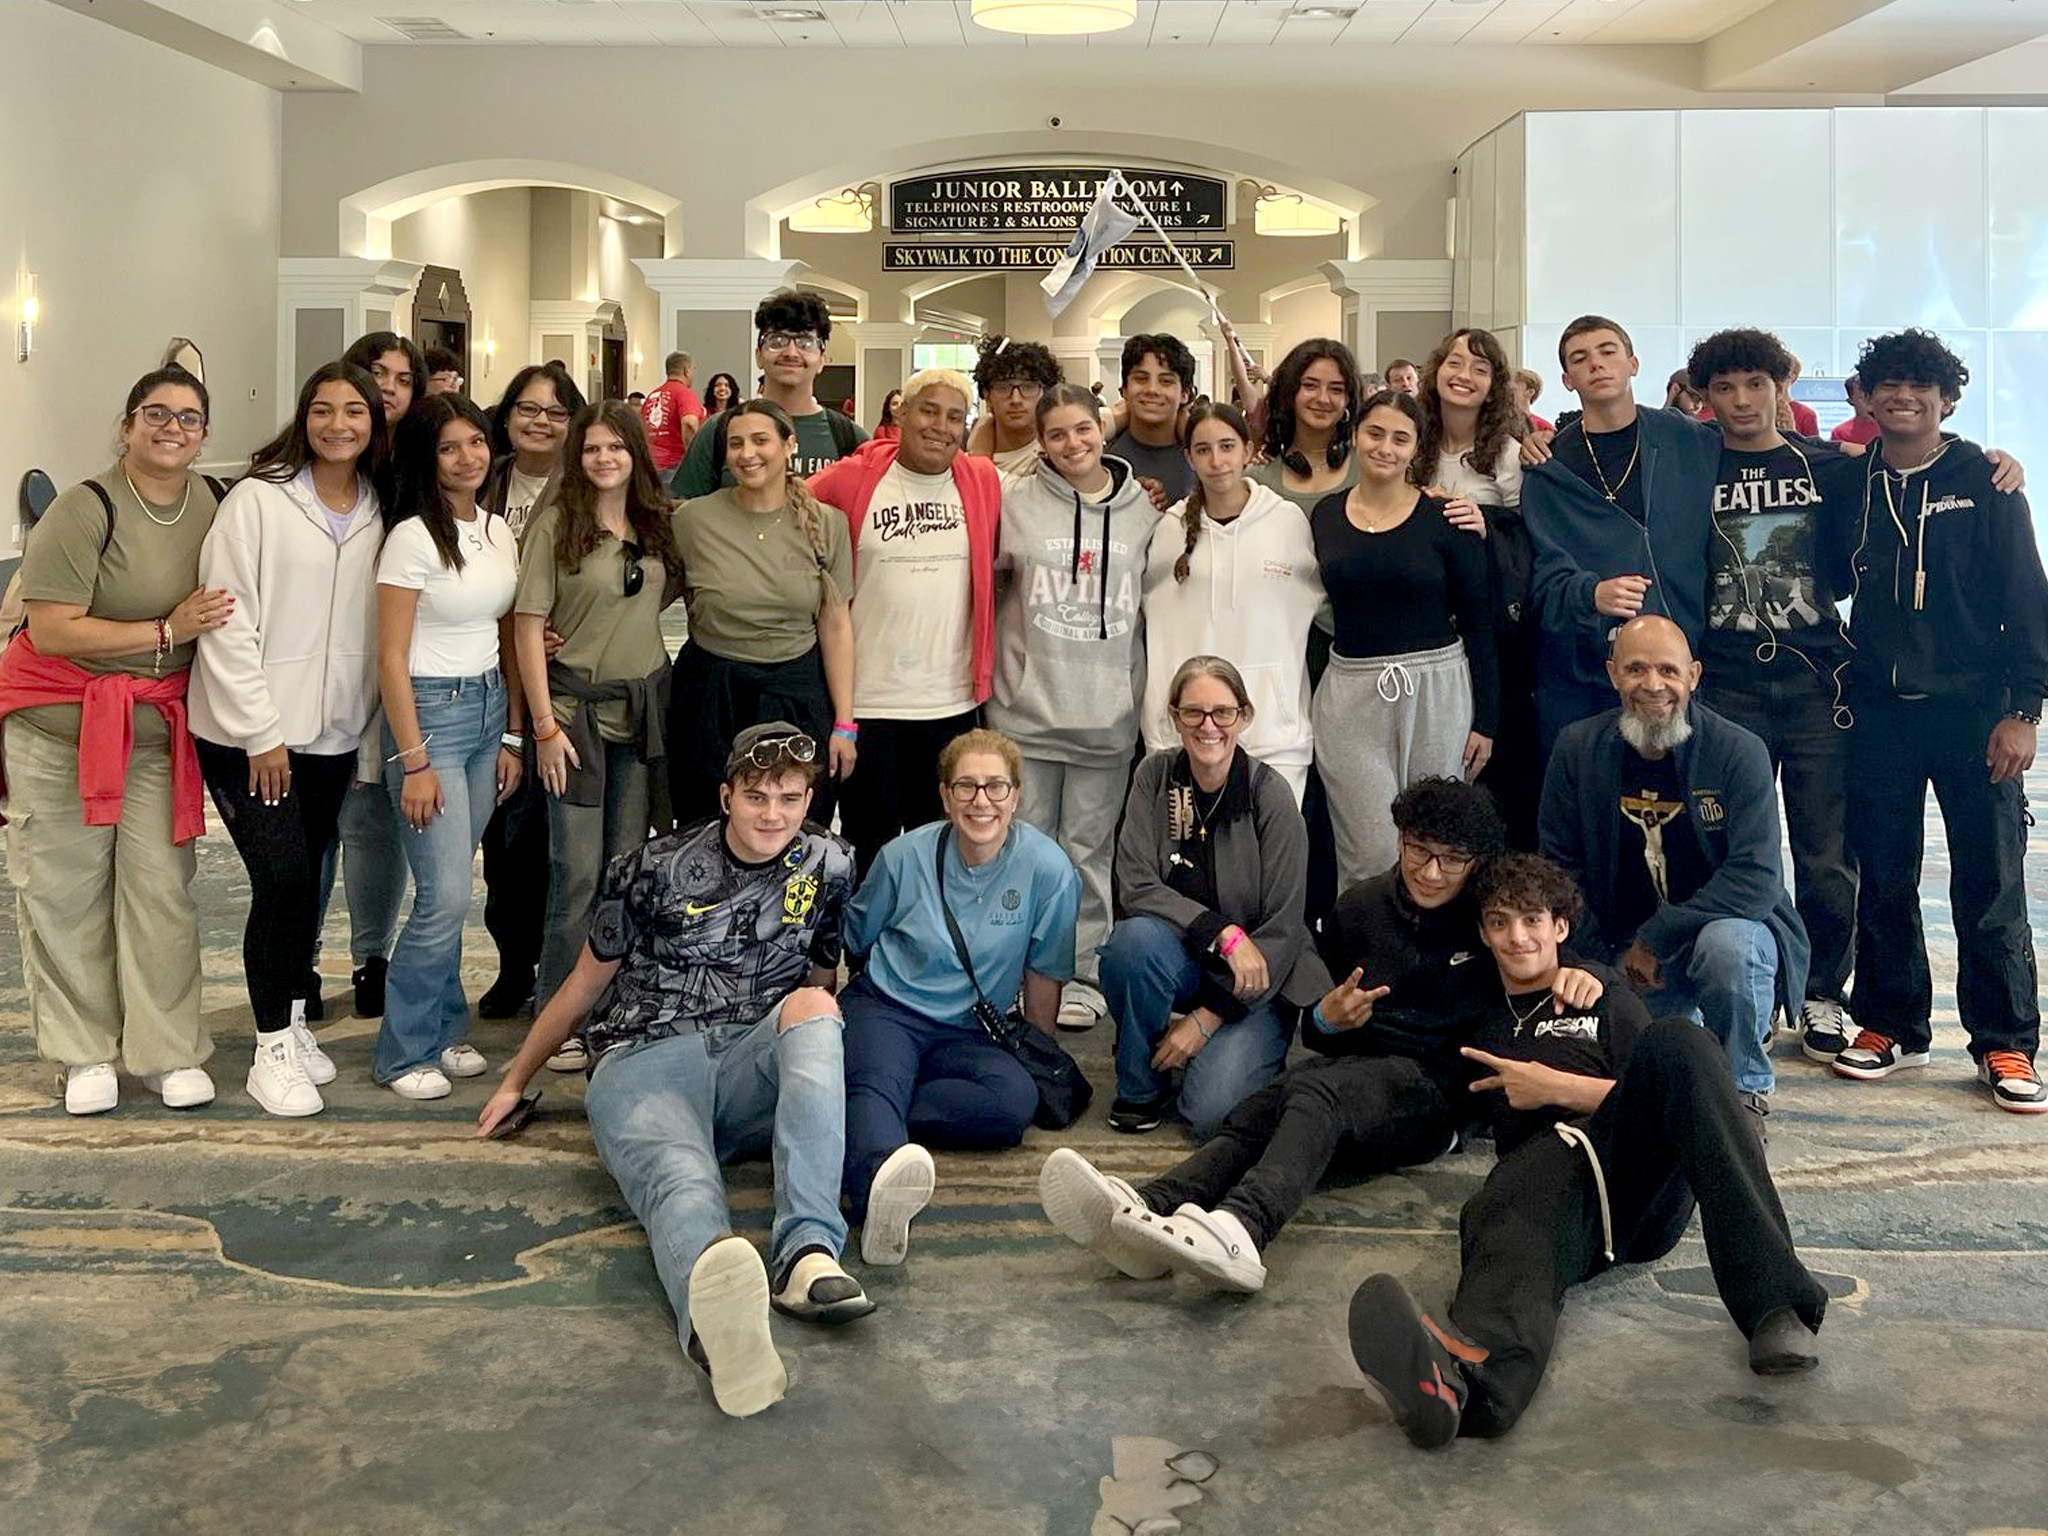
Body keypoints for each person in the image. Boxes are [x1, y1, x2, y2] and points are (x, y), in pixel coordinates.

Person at [1344, 852, 1826, 1450]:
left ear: (1560, 927)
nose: (1518, 937)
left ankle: (1776, 1308)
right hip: (1549, 1194)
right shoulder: (1474, 1009)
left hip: (1634, 1174)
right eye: (1499, 923)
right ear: (1483, 934)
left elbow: (1672, 1096)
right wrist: (1330, 1021)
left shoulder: (1601, 996)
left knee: (1682, 1041)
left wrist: (1554, 1086)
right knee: (1504, 1202)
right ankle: (1467, 1387)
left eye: (1532, 921)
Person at [476, 724, 865, 1419]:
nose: (772, 814)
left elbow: (819, 973)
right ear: (726, 796)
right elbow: (584, 984)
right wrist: (515, 1078)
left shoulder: (829, 864)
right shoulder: (651, 867)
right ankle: (718, 1322)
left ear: (809, 801)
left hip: (746, 1061)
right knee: (682, 1178)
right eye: (756, 797)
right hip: (646, 1058)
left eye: (789, 798)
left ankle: (808, 1253)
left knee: (816, 1007)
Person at [1037, 777, 1506, 1290]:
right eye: (1419, 851)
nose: (1431, 872)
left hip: (1439, 1094)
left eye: (1452, 860)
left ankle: (1244, 1227)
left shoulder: (1493, 919)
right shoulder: (1360, 907)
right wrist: (1327, 1019)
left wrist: (1573, 973)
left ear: (1476, 861)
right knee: (1265, 1108)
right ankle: (1151, 1205)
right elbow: (1321, 1035)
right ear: (1400, 840)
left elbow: (1545, 964)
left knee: (1318, 1091)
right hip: (1360, 1076)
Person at [1819, 329, 2047, 1112]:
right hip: (1879, 713)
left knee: (1991, 882)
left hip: (1976, 713)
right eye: (1887, 384)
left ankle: (2006, 1041)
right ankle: (1893, 1025)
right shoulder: (1850, 484)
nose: (1903, 397)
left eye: (1920, 385)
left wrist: (2024, 710)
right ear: (1865, 398)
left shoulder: (1986, 481)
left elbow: (2027, 600)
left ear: (1946, 399)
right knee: (1884, 878)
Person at [0, 366, 230, 1114]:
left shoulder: (215, 503)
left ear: (204, 434)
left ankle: (168, 1050)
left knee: (162, 891)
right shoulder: (84, 507)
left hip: (154, 737)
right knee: (64, 892)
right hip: (56, 730)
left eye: (188, 417)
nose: (172, 428)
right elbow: (52, 629)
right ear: (128, 425)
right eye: (156, 413)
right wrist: (165, 630)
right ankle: (84, 1053)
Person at [190, 361, 390, 1117]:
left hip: (332, 734)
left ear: (374, 423)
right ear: (303, 417)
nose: (339, 424)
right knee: (279, 881)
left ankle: (295, 1022)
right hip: (247, 736)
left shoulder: (380, 506)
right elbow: (226, 621)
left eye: (355, 411)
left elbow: (375, 634)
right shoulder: (258, 501)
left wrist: (363, 736)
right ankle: (270, 1048)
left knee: (306, 883)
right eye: (323, 409)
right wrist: (260, 733)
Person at [1539, 615, 1808, 1126]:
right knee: (1641, 1072)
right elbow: (1559, 872)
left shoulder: (1740, 751)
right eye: (1636, 669)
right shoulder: (1576, 748)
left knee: (1730, 950)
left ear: (1694, 676)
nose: (1653, 685)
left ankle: (1743, 1090)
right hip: (1624, 949)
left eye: (1668, 670)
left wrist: (1657, 936)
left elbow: (1756, 879)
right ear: (1613, 674)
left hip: (1712, 934)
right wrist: (1597, 962)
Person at [1685, 327, 1865, 1058]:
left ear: (1780, 386)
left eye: (1755, 384)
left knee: (1826, 853)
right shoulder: (1692, 465)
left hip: (1816, 681)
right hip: (1727, 684)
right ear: (1705, 396)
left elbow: (1914, 460)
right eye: (1724, 388)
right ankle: (1752, 983)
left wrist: (1991, 461)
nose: (1740, 401)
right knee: (1734, 845)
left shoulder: (1826, 465)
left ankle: (1823, 993)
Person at [839, 727, 1080, 1264]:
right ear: (945, 797)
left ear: (1016, 796)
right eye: (966, 786)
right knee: (877, 1082)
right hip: (890, 1008)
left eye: (996, 786)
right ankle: (878, 1199)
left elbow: (1045, 972)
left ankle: (869, 1105)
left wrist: (1039, 1056)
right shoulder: (903, 857)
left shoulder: (1048, 869)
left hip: (972, 1028)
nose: (981, 801)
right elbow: (854, 935)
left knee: (1011, 1105)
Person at [513, 402, 683, 1066]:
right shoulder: (557, 526)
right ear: (576, 458)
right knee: (577, 872)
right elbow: (528, 626)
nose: (604, 459)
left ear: (636, 454)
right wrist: (543, 727)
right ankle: (555, 1014)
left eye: (616, 447)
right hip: (572, 719)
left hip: (640, 717)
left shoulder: (656, 525)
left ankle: (611, 1006)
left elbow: (661, 597)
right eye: (591, 448)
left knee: (624, 869)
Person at [988, 383, 1160, 1030]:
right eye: (1056, 434)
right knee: (1021, 853)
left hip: (1106, 718)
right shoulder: (1014, 505)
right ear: (1041, 442)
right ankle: (1015, 975)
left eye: (1082, 429)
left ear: (1102, 429)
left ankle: (1082, 978)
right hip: (1025, 715)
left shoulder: (1146, 512)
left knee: (1088, 856)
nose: (1072, 443)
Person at [1101, 656, 1329, 1138]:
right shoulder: (1154, 776)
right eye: (1194, 712)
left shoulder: (1272, 796)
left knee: (1208, 1115)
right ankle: (1141, 1086)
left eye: (1222, 712)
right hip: (1184, 959)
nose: (1208, 726)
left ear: (1244, 717)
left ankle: (1228, 1049)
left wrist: (1206, 1020)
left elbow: (1285, 928)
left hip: (1259, 979)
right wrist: (1221, 932)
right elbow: (1136, 882)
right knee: (1132, 942)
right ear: (1174, 716)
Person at [370, 393, 524, 1100]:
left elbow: (505, 633)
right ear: (427, 459)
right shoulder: (410, 538)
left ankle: (443, 1028)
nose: (468, 458)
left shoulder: (495, 529)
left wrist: (512, 732)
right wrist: (415, 761)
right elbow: (390, 658)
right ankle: (403, 1051)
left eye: (476, 443)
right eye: (449, 447)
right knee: (443, 895)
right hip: (431, 715)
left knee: (456, 882)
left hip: (488, 709)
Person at [809, 368, 1002, 875]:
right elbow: (786, 504)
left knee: (939, 850)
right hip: (870, 703)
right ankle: (868, 932)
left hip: (951, 704)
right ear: (901, 412)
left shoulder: (981, 480)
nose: (941, 426)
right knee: (867, 846)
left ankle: (926, 931)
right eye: (929, 411)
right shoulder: (853, 478)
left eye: (954, 417)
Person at [1311, 390, 1497, 887]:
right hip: (1352, 694)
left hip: (1437, 690)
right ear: (1355, 435)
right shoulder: (1325, 516)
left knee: (1437, 845)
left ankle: (1437, 940)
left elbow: (1479, 621)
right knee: (1369, 851)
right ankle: (1364, 939)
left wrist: (1487, 720)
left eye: (1400, 438)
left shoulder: (1446, 518)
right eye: (1375, 434)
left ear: (1417, 447)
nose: (1385, 448)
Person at [1522, 316, 1722, 758]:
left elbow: (1762, 444)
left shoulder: (1687, 439)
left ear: (1633, 363)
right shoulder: (1549, 467)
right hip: (1589, 672)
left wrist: (1838, 451)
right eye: (1580, 358)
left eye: (1608, 351)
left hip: (1688, 658)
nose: (1596, 364)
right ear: (1567, 380)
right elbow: (1538, 578)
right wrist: (1589, 592)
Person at [667, 399, 855, 827]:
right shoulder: (693, 520)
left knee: (795, 822)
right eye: (735, 444)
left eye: (760, 441)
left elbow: (835, 625)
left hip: (797, 691)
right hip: (711, 694)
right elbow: (649, 597)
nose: (746, 454)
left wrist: (845, 723)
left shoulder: (828, 524)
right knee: (706, 822)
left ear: (789, 445)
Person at [474, 361, 587, 1020]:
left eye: (556, 412)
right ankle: (513, 962)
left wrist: (569, 631)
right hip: (486, 674)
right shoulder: (480, 478)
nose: (540, 422)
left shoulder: (586, 484)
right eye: (527, 408)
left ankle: (561, 970)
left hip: (560, 684)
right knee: (503, 840)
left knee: (557, 840)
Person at [323, 331, 430, 1021]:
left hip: (396, 664)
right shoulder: (314, 468)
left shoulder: (418, 468)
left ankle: (371, 959)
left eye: (402, 378)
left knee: (371, 823)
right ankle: (297, 965)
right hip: (316, 665)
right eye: (375, 372)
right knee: (308, 831)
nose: (387, 387)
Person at [1139, 401, 1324, 804]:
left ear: (1248, 450)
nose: (1217, 461)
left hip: (1273, 736)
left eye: (1227, 446)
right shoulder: (1169, 529)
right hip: (1187, 735)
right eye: (1203, 450)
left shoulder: (1287, 522)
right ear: (1188, 458)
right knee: (1189, 845)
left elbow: (1321, 607)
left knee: (1270, 844)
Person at [1413, 327, 1539, 847]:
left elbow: (1528, 544)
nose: (1464, 375)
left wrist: (1485, 524)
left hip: (1488, 634)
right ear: (1436, 371)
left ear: (1494, 386)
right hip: (1424, 626)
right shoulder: (1411, 442)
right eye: (1455, 362)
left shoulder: (1508, 455)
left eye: (1480, 368)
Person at [668, 290, 867, 498]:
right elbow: (685, 509)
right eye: (777, 341)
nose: (791, 353)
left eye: (805, 343)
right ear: (759, 356)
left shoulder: (849, 439)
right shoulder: (720, 430)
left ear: (821, 359)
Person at [1245, 339, 1360, 517]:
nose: (1323, 399)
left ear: (1348, 400)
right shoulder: (1258, 479)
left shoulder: (1367, 470)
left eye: (1336, 389)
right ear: (1289, 392)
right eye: (1310, 386)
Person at [1106, 333, 1197, 505]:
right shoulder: (1104, 459)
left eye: (1166, 381)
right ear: (1124, 389)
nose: (1152, 390)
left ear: (1185, 393)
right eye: (1141, 379)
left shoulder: (1203, 459)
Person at [968, 335, 1062, 477]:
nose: (1016, 399)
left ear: (1044, 392)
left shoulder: (1057, 456)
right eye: (1003, 388)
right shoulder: (963, 460)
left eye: (1028, 387)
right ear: (987, 395)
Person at [640, 350, 706, 475]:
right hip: (673, 467)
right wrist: (693, 457)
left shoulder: (652, 396)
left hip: (649, 467)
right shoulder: (683, 393)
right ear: (686, 370)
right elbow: (689, 422)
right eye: (693, 369)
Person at [1831, 376, 1880, 446]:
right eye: (1861, 398)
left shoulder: (1890, 426)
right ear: (1850, 400)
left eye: (1871, 396)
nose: (1867, 403)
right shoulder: (1840, 432)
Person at [1510, 367, 1551, 435]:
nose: (1507, 393)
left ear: (1530, 392)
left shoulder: (1545, 428)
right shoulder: (1499, 423)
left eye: (1513, 390)